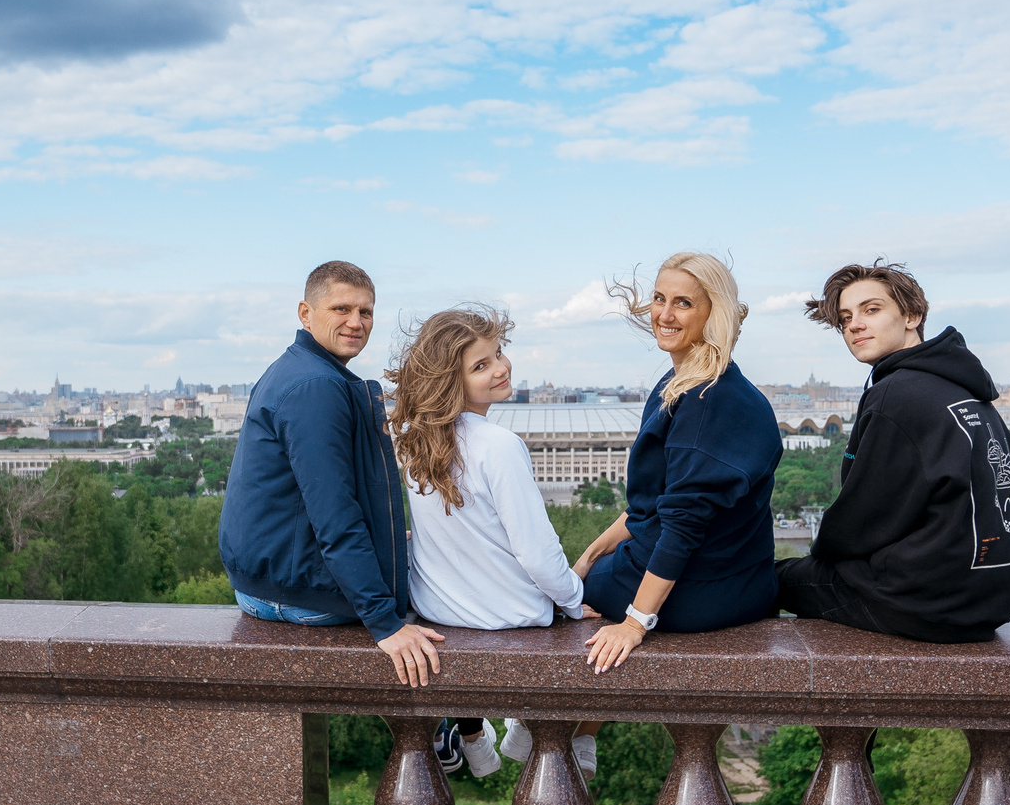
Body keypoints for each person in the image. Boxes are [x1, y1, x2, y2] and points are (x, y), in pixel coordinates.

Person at [778, 260, 1010, 642]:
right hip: (996, 596)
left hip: (928, 599)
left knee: (772, 578)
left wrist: (822, 555)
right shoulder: (964, 388)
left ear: (912, 315)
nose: (854, 325)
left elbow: (861, 518)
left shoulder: (897, 394)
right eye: (846, 318)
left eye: (871, 309)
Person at [219, 261, 445, 688]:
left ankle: (450, 724)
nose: (356, 322)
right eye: (342, 309)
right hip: (300, 596)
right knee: (457, 582)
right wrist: (386, 625)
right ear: (305, 313)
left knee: (431, 555)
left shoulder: (297, 368)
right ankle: (463, 720)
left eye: (366, 312)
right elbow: (334, 514)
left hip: (271, 580)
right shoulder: (316, 387)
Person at [387, 305, 586, 777]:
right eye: (481, 365)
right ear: (450, 383)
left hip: (439, 610)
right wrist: (576, 601)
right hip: (507, 614)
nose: (500, 368)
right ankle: (525, 729)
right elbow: (537, 553)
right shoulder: (499, 445)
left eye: (498, 353)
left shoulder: (414, 440)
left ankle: (476, 743)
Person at [572, 252, 784, 677]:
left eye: (683, 303)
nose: (664, 315)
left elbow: (682, 525)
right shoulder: (698, 385)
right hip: (744, 582)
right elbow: (650, 506)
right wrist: (584, 560)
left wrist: (634, 624)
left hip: (697, 594)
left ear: (714, 313)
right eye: (659, 299)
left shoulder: (705, 402)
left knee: (560, 598)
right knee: (573, 581)